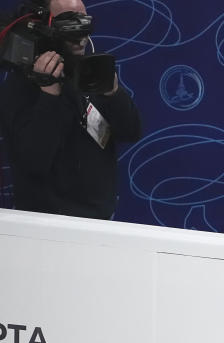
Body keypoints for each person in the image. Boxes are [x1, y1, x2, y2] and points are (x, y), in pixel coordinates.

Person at [0, 0, 141, 219]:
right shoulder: (20, 87)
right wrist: (49, 94)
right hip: (44, 224)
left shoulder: (91, 74)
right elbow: (33, 162)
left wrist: (114, 94)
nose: (80, 35)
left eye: (83, 21)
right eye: (69, 23)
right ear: (45, 26)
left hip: (99, 220)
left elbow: (131, 131)